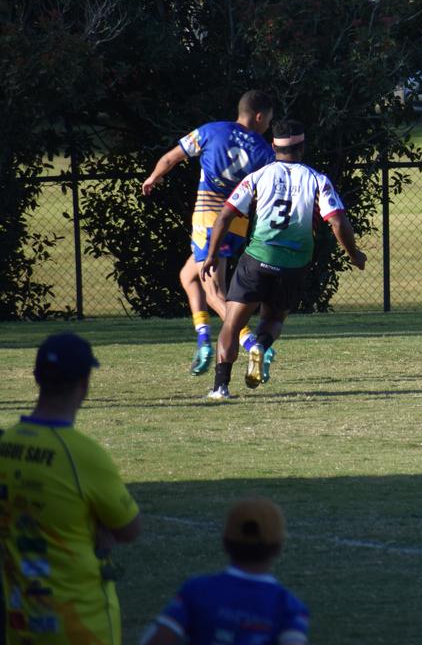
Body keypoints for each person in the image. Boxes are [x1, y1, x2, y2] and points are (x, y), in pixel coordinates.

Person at [200, 119, 366, 399]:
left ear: (273, 146)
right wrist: (354, 254)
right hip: (293, 266)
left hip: (255, 260)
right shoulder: (317, 180)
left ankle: (220, 387)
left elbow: (225, 215)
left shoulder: (258, 176)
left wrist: (212, 254)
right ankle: (261, 346)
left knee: (232, 323)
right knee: (274, 319)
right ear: (302, 148)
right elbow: (337, 222)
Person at [0, 332, 141, 644]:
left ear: (36, 378)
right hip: (82, 626)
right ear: (85, 382)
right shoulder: (84, 454)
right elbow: (129, 528)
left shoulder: (6, 444)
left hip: (21, 622)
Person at [142, 90, 276, 379]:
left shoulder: (212, 131)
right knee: (188, 276)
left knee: (215, 293)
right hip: (237, 223)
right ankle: (203, 341)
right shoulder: (265, 152)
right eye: (270, 120)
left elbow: (172, 157)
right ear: (259, 116)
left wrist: (154, 176)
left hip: (208, 218)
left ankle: (253, 344)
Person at [139, 496, 309, 645]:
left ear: (225, 542)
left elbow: (157, 639)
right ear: (278, 548)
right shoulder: (289, 607)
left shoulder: (195, 591)